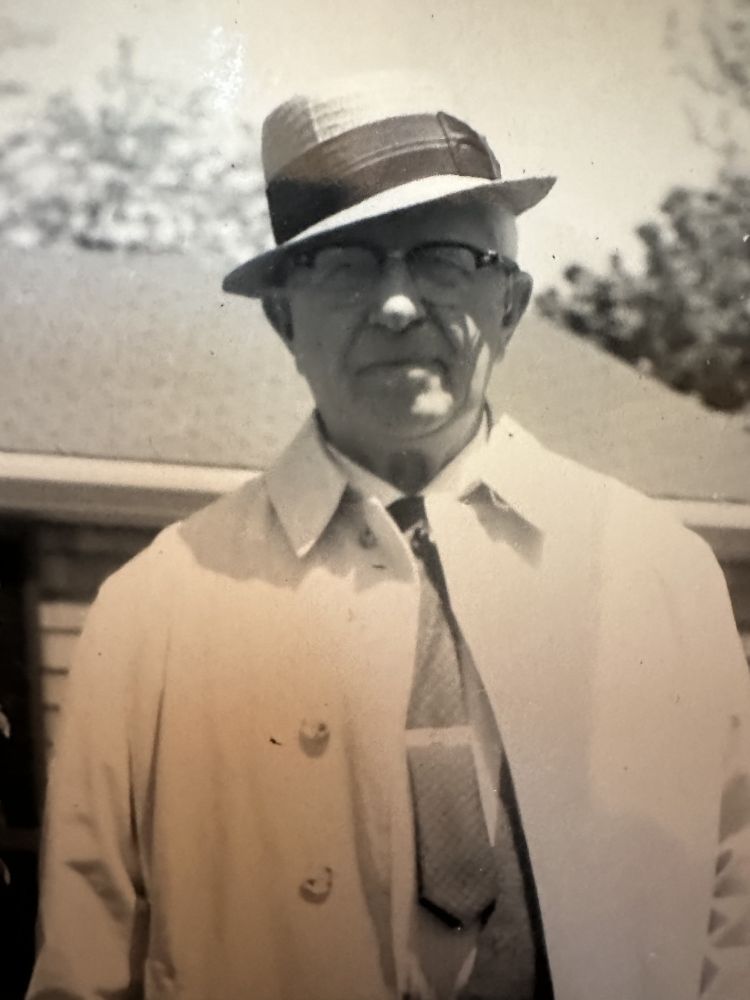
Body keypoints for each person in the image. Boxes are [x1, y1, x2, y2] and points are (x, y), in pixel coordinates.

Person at [28, 73, 750, 1000]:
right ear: (284, 317)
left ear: (512, 307)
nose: (398, 305)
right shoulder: (154, 613)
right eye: (346, 263)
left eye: (446, 259)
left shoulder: (660, 578)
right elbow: (82, 971)